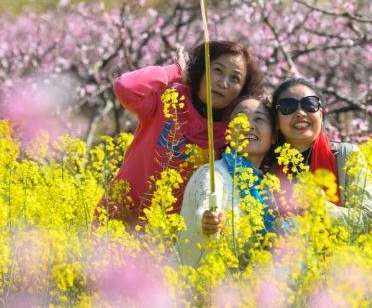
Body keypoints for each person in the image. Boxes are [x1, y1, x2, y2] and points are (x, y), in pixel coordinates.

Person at [97, 41, 263, 228]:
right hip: (115, 218)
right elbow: (125, 87)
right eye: (217, 70)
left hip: (165, 238)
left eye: (235, 78)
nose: (223, 83)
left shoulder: (232, 132)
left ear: (242, 90)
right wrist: (176, 72)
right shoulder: (169, 98)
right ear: (201, 71)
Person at [268, 77, 372, 233]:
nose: (300, 113)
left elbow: (369, 219)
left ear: (321, 114)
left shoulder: (346, 156)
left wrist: (323, 208)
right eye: (287, 106)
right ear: (276, 121)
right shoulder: (270, 173)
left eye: (310, 105)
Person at [178, 96, 275, 266]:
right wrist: (208, 219)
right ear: (228, 133)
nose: (249, 125)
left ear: (273, 136)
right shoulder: (213, 173)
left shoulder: (267, 189)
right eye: (241, 118)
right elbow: (208, 200)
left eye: (259, 119)